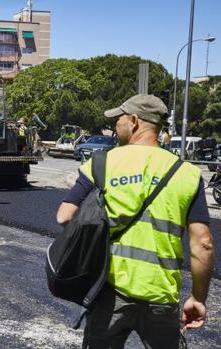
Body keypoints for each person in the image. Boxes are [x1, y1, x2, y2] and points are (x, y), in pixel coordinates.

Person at [56, 94, 214, 348]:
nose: (116, 125)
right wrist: (197, 297)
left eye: (118, 119)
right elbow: (203, 244)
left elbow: (65, 215)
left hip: (109, 291)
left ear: (134, 121)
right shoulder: (188, 174)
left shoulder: (102, 163)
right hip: (161, 296)